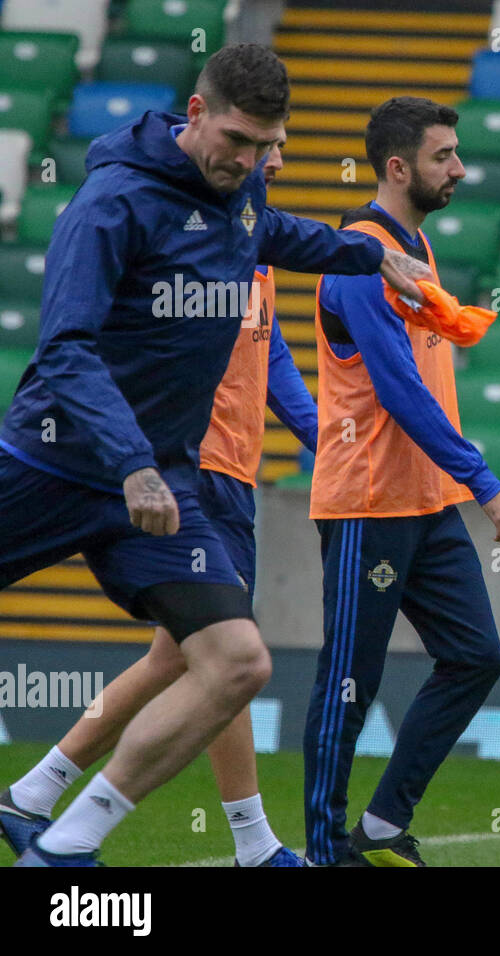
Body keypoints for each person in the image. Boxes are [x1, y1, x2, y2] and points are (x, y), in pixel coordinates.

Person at [0, 43, 430, 867]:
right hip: (54, 463)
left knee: (237, 662)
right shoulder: (111, 202)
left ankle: (62, 844)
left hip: (157, 482)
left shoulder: (243, 190)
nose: (250, 159)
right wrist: (130, 461)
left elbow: (268, 233)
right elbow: (66, 350)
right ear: (195, 114)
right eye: (237, 139)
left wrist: (371, 253)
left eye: (267, 144)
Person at [0, 143, 318, 868]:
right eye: (261, 147)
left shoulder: (250, 243)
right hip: (187, 464)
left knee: (187, 656)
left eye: (280, 149)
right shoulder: (179, 230)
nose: (273, 162)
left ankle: (34, 794)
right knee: (218, 651)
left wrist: (322, 437)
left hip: (230, 467)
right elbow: (75, 343)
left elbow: (269, 357)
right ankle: (251, 844)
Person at [302, 96, 500, 867]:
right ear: (399, 168)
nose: (460, 169)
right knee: (349, 681)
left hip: (424, 499)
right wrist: (486, 482)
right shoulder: (360, 257)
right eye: (444, 156)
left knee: (476, 656)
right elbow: (399, 391)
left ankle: (379, 823)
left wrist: (456, 481)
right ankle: (325, 845)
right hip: (370, 500)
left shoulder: (410, 249)